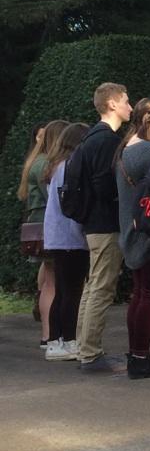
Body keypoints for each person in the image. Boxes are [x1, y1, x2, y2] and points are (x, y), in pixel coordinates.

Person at [76, 82, 133, 372]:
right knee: (101, 288)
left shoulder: (90, 137)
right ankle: (90, 354)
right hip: (105, 224)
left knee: (92, 286)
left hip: (91, 223)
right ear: (112, 104)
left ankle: (83, 349)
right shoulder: (107, 140)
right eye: (125, 101)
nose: (130, 107)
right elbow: (105, 185)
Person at [114, 98, 150, 380]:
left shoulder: (124, 149)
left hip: (129, 233)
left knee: (139, 295)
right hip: (149, 235)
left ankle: (135, 354)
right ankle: (140, 358)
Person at [18, 119, 69, 348]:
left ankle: (48, 333)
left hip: (38, 224)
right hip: (46, 226)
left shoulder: (35, 161)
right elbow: (53, 198)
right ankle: (49, 333)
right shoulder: (44, 165)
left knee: (49, 280)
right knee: (52, 282)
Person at [42, 123, 90, 362]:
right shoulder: (69, 166)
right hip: (70, 236)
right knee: (72, 292)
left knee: (62, 291)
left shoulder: (55, 166)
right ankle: (68, 340)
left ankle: (54, 341)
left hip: (56, 236)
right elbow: (72, 202)